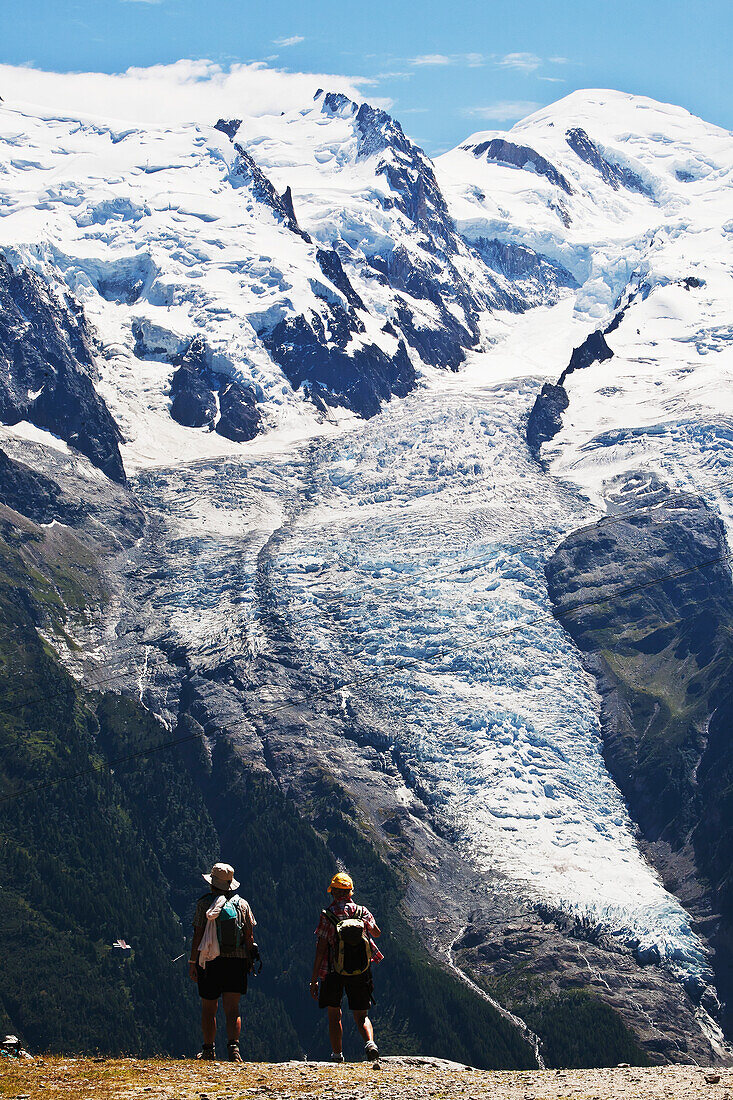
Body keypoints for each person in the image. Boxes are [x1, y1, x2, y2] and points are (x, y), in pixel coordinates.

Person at [310, 872, 383, 1063]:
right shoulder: (362, 911)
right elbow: (376, 933)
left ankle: (337, 1055)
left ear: (333, 892)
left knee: (334, 1013)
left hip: (334, 971)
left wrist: (314, 978)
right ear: (350, 892)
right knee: (361, 1015)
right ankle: (370, 1044)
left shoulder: (328, 915)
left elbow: (321, 949)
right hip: (360, 969)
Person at [189, 862, 256, 1062]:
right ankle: (234, 1049)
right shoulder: (242, 904)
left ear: (212, 884)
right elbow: (249, 935)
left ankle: (209, 1050)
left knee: (209, 1008)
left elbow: (198, 933)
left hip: (210, 961)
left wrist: (193, 961)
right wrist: (249, 960)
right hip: (236, 962)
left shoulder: (204, 904)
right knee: (232, 1009)